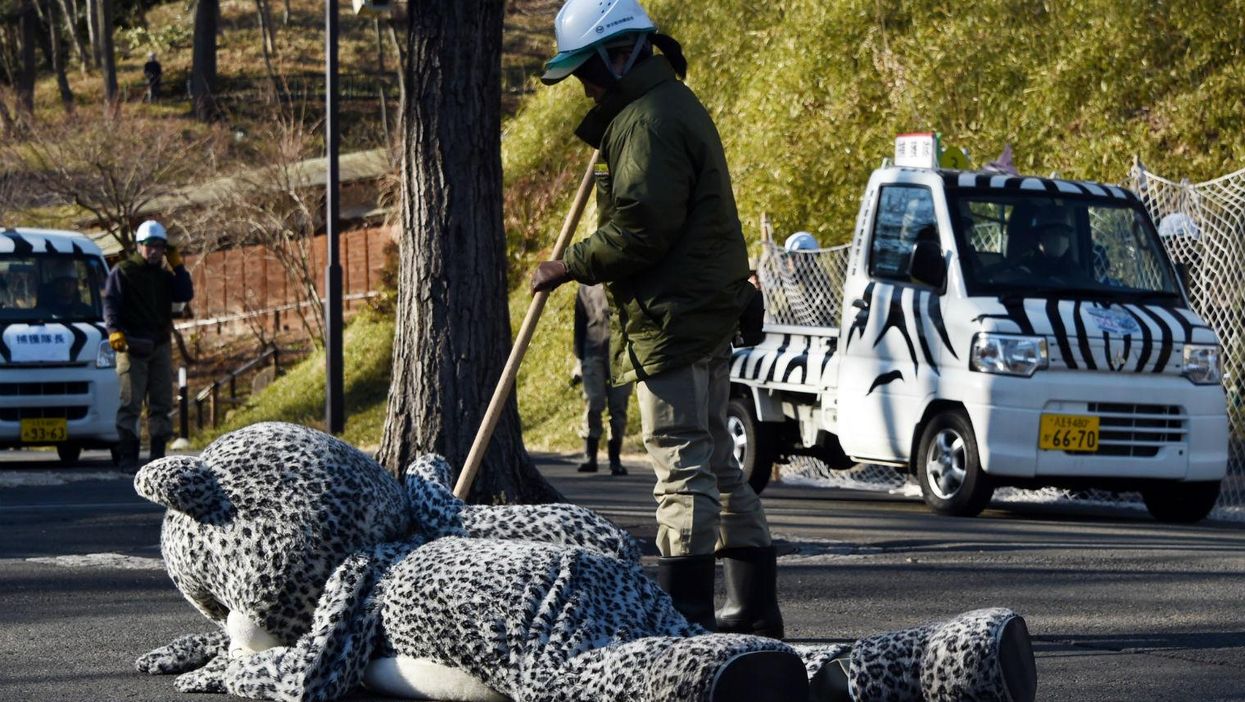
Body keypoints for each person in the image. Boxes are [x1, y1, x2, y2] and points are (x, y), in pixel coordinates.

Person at [529, 0, 782, 638]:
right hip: (705, 311)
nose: (583, 86)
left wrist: (569, 265)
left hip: (674, 318)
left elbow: (641, 227)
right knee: (718, 463)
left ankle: (685, 626)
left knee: (682, 467)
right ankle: (752, 614)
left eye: (586, 70)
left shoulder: (646, 121)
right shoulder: (667, 104)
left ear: (620, 56)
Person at [103, 220, 193, 470]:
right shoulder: (123, 271)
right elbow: (110, 302)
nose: (154, 251)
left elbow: (185, 294)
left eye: (159, 246)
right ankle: (128, 456)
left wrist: (178, 266)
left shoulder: (165, 276)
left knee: (161, 403)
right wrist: (113, 331)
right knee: (130, 403)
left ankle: (157, 455)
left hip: (159, 344)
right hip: (131, 345)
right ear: (139, 246)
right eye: (149, 246)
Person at [572, 283, 631, 476]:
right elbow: (579, 326)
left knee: (619, 406)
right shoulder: (584, 288)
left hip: (620, 355)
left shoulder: (624, 280)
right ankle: (591, 455)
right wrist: (578, 360)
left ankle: (615, 458)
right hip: (592, 352)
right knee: (594, 401)